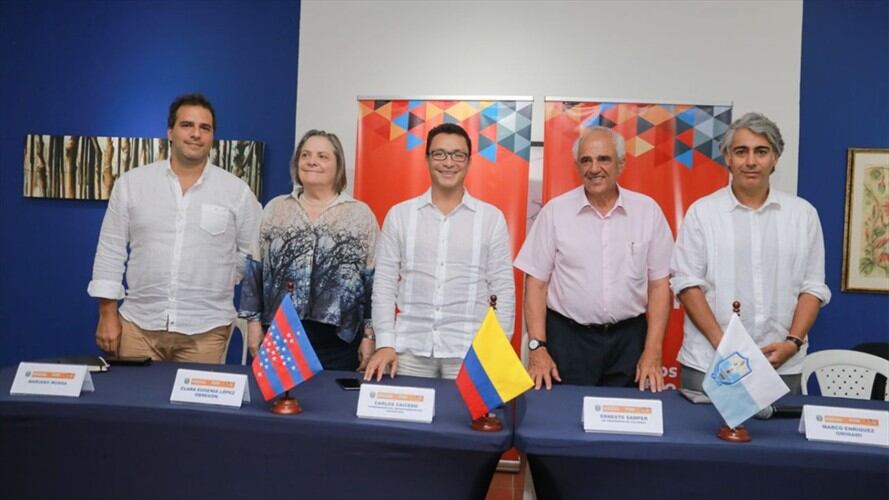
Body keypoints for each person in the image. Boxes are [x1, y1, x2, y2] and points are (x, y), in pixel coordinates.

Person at [88, 93, 262, 363]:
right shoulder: (132, 184)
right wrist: (107, 314)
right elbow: (110, 251)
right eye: (187, 125)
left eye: (205, 128)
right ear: (170, 132)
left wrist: (223, 275)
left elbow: (254, 254)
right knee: (134, 404)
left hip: (206, 330)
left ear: (212, 136)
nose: (196, 134)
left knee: (195, 407)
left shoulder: (236, 192)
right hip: (137, 327)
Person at [671, 112, 830, 394]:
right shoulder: (702, 213)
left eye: (761, 151)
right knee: (699, 438)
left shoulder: (802, 215)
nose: (751, 161)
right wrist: (725, 346)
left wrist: (792, 343)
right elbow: (687, 284)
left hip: (780, 365)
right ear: (727, 158)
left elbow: (813, 287)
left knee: (778, 439)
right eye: (741, 151)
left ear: (775, 158)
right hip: (712, 363)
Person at [515, 126, 673, 391]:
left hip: (628, 341)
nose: (594, 168)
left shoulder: (647, 211)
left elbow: (659, 285)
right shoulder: (556, 211)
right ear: (577, 166)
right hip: (567, 340)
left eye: (604, 159)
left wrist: (653, 350)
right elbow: (536, 284)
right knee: (562, 424)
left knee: (624, 426)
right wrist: (537, 347)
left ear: (621, 164)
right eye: (586, 160)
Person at [364, 123, 515, 381]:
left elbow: (502, 289)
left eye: (458, 155)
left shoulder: (491, 218)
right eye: (439, 154)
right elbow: (385, 285)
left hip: (470, 352)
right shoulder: (400, 215)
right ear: (427, 159)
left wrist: (495, 350)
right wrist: (385, 342)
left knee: (468, 421)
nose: (449, 162)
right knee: (405, 421)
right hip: (408, 351)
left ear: (468, 162)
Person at [239, 130, 378, 371]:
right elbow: (255, 270)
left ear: (338, 166)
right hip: (281, 339)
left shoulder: (360, 215)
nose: (312, 161)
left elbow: (373, 281)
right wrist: (252, 325)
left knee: (333, 407)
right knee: (276, 405)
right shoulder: (275, 209)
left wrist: (370, 336)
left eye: (323, 156)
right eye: (305, 155)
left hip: (340, 343)